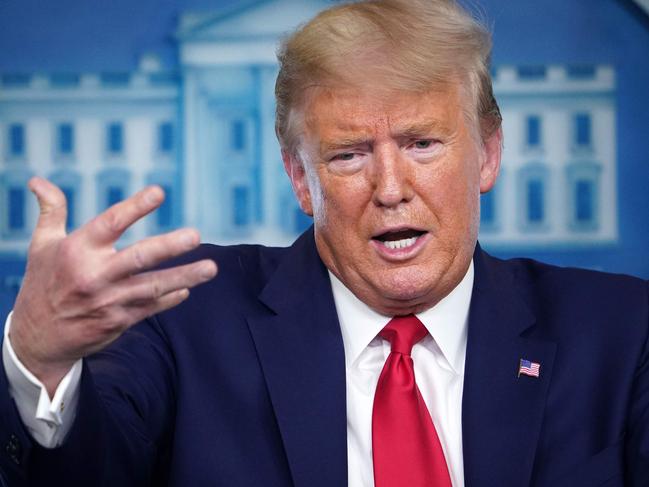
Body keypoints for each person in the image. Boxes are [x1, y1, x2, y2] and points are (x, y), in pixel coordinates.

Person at [1, 0, 647, 485]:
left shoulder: (622, 332)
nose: (390, 187)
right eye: (347, 154)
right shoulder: (185, 318)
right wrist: (39, 362)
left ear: (487, 155)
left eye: (421, 143)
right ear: (299, 179)